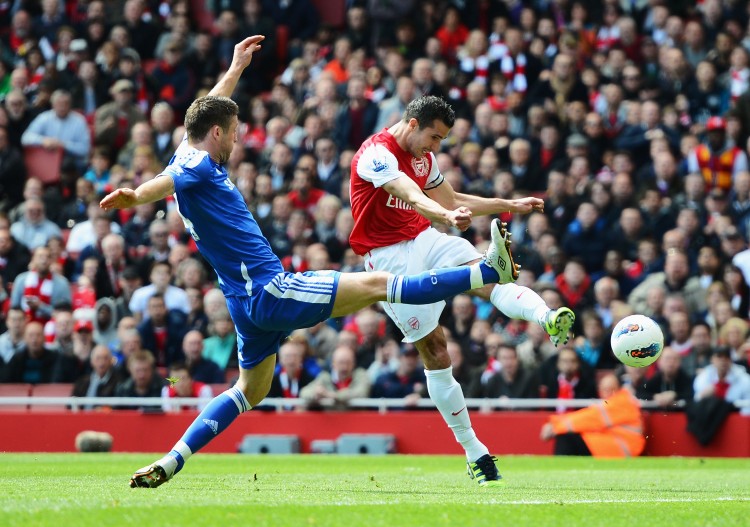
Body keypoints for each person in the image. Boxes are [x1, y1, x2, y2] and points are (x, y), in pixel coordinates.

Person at [100, 36, 518, 489]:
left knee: (248, 391)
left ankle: (172, 460)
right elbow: (167, 181)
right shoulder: (196, 165)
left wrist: (237, 67)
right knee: (380, 284)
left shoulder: (190, 144)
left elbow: (210, 109)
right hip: (270, 289)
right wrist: (136, 196)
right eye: (235, 133)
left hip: (242, 305)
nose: (238, 140)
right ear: (218, 134)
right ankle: (484, 271)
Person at [348, 94, 575, 485]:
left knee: (491, 275)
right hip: (386, 260)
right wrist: (447, 215)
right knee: (435, 351)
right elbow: (411, 194)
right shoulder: (375, 154)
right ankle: (475, 452)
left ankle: (547, 316)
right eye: (435, 137)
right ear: (414, 123)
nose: (437, 148)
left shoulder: (426, 157)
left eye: (442, 140)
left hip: (425, 238)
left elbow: (451, 199)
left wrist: (509, 205)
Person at [539, 373, 646, 457]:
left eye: (611, 389)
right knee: (570, 435)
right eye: (604, 389)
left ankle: (559, 473)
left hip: (621, 448)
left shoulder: (620, 401)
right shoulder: (619, 401)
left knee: (566, 436)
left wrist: (555, 426)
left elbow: (589, 418)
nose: (607, 392)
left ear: (618, 388)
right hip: (616, 443)